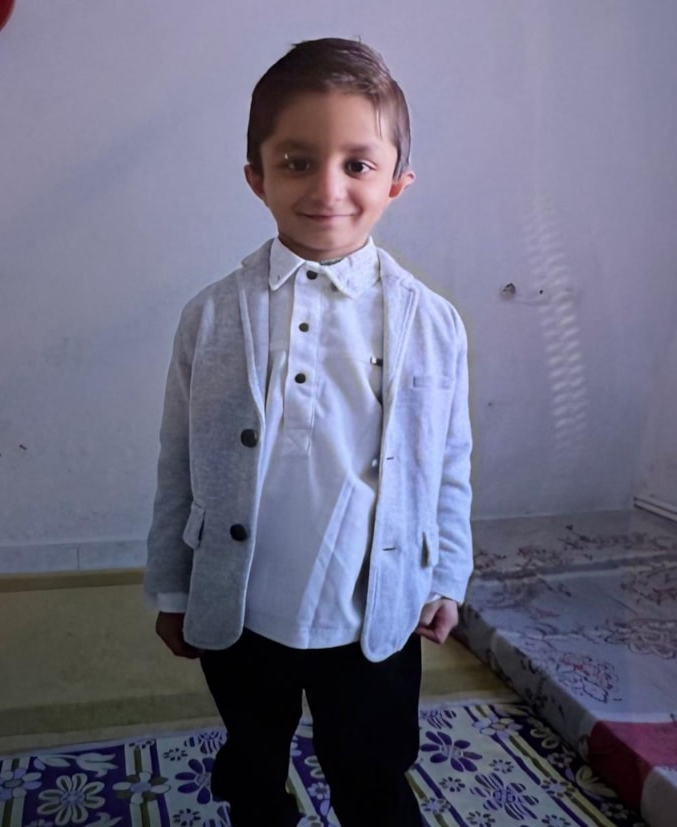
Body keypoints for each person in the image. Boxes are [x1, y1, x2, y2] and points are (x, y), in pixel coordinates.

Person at [144, 37, 473, 827]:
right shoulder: (212, 317)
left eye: (357, 164)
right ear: (256, 176)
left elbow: (450, 460)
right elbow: (178, 460)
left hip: (371, 610)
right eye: (297, 162)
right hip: (246, 606)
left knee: (373, 767)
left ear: (396, 182)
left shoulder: (434, 324)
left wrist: (446, 574)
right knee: (252, 758)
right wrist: (173, 587)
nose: (327, 188)